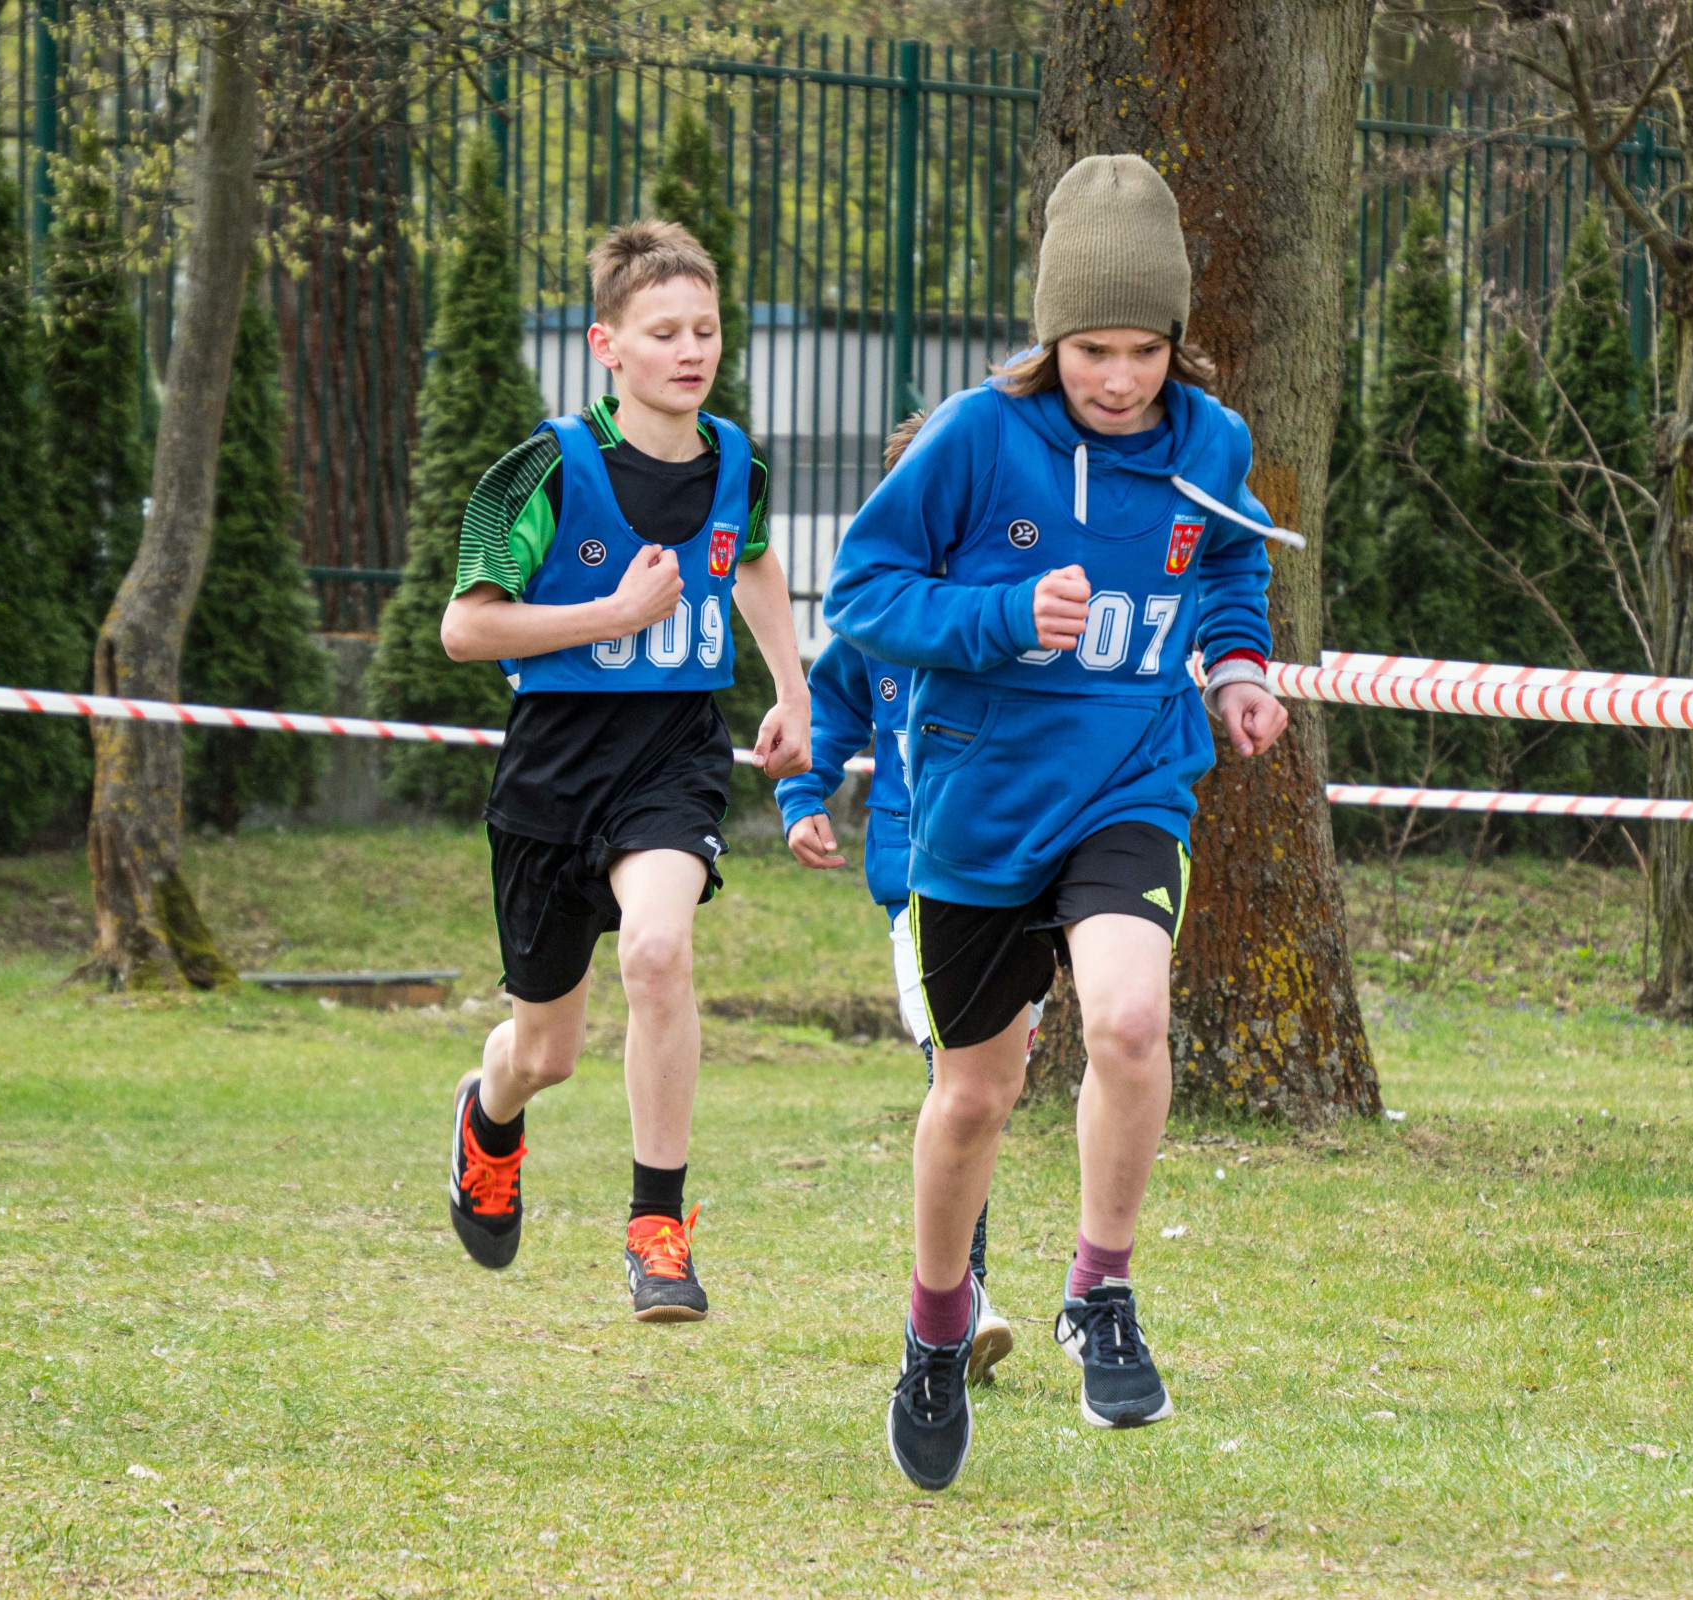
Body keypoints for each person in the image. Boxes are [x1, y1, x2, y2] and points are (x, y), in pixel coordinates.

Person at [823, 153, 1291, 1491]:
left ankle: (1102, 1289)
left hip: (1133, 782)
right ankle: (935, 1327)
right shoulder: (977, 436)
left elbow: (1233, 561)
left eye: (1146, 349)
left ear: (1176, 341)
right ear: (1051, 338)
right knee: (977, 1094)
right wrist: (1001, 617)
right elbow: (861, 595)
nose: (1122, 379)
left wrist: (1237, 669)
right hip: (980, 809)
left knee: (1131, 1023)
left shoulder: (1211, 442)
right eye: (1094, 350)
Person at [436, 218, 810, 1322]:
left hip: (672, 756)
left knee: (656, 949)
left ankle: (657, 1227)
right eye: (663, 333)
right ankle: (489, 1113)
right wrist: (613, 612)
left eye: (706, 329)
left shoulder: (737, 461)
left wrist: (791, 687)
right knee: (544, 1053)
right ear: (606, 344)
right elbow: (464, 629)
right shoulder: (543, 468)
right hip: (553, 768)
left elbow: (751, 559)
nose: (691, 351)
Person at [774, 415, 1029, 1386]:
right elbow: (829, 710)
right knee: (956, 1079)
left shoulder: (1027, 600)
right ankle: (963, 1301)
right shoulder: (877, 617)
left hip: (1024, 875)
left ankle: (969, 1300)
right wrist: (804, 796)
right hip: (920, 890)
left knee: (988, 1090)